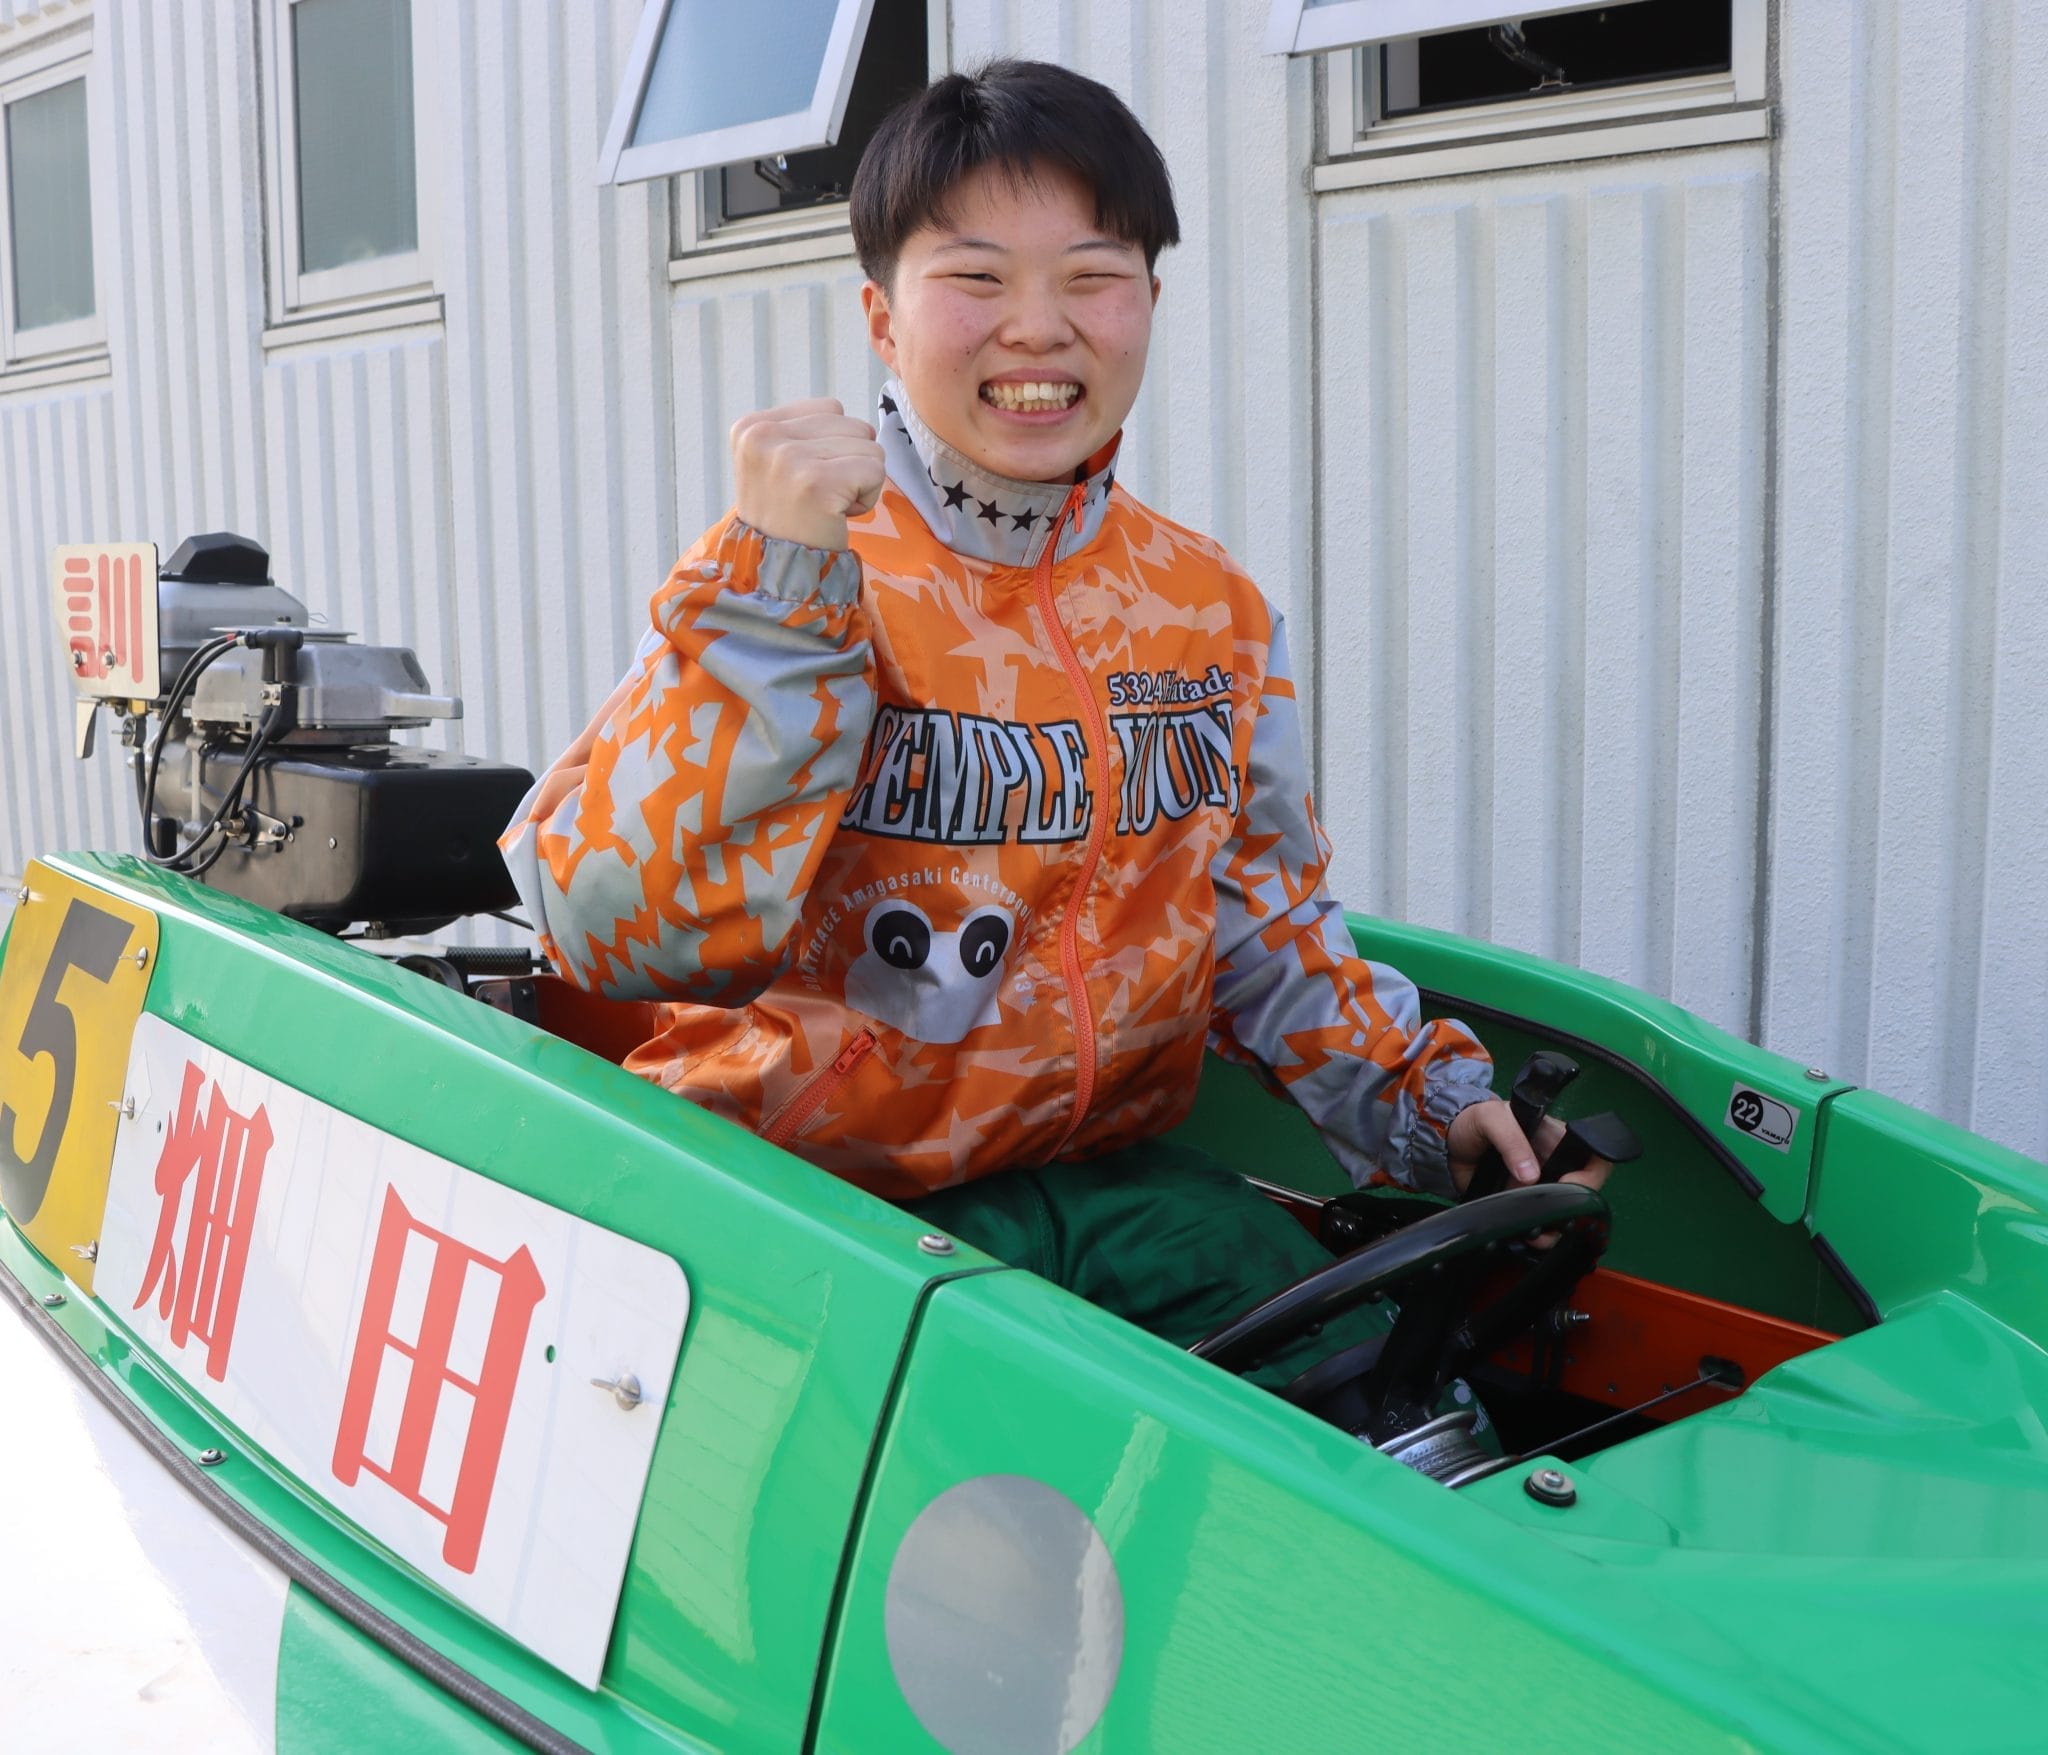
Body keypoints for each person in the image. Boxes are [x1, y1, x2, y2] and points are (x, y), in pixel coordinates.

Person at [501, 59, 1609, 1393]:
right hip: (812, 1202)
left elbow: (1262, 920)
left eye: (1091, 276)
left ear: (1148, 302)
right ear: (882, 317)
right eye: (976, 278)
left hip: (1108, 1183)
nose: (1038, 328)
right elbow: (619, 933)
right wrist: (774, 590)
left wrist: (1430, 1107)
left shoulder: (1206, 606)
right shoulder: (787, 578)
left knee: (1395, 1403)